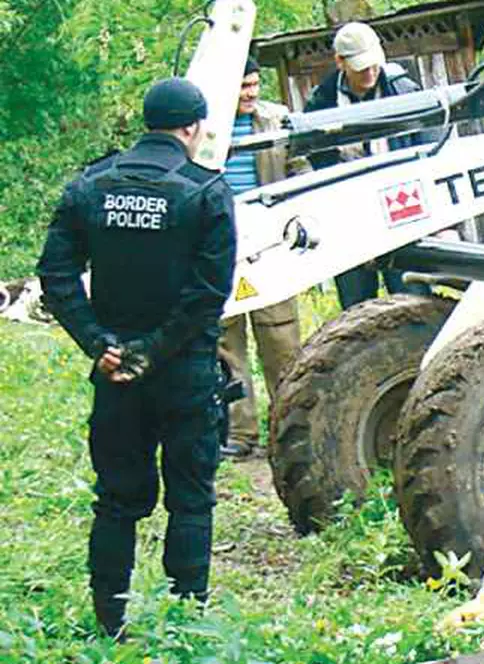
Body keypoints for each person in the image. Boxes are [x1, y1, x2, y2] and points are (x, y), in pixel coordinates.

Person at [36, 78, 236, 638]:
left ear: (146, 123)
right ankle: (185, 621)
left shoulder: (91, 185)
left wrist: (100, 344)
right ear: (192, 128)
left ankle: (109, 623)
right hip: (184, 371)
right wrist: (155, 351)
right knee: (191, 498)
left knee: (117, 500)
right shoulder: (206, 191)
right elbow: (207, 293)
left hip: (114, 372)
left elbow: (56, 275)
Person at [305, 20, 432, 309]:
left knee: (413, 294)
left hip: (404, 204)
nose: (371, 73)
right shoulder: (321, 102)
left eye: (375, 65)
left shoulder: (404, 91)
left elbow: (428, 149)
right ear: (341, 62)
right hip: (348, 209)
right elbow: (317, 159)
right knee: (356, 301)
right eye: (362, 67)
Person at [217, 56, 304, 460]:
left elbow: (301, 167)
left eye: (254, 85)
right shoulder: (204, 126)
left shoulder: (277, 119)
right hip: (218, 245)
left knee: (281, 337)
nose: (250, 93)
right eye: (242, 87)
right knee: (226, 342)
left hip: (269, 243)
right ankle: (239, 432)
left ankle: (288, 428)